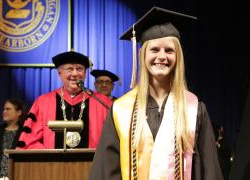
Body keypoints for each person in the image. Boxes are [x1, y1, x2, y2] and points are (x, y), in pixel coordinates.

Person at [89, 6, 223, 180]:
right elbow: (105, 171)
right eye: (154, 50)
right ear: (143, 55)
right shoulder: (121, 110)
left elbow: (209, 170)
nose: (162, 56)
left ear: (178, 57)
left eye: (169, 50)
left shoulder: (194, 109)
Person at [17, 51, 113, 149]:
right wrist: (49, 159)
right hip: (52, 163)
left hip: (93, 163)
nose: (75, 73)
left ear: (85, 74)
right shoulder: (43, 102)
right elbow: (29, 141)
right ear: (60, 73)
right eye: (69, 69)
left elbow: (113, 140)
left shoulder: (102, 102)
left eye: (79, 69)